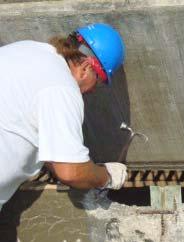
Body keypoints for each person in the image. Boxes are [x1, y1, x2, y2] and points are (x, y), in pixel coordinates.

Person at [0, 23, 128, 212]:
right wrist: (106, 176)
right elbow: (71, 171)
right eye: (98, 81)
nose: (93, 90)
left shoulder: (26, 50)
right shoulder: (63, 88)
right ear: (86, 67)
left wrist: (85, 165)